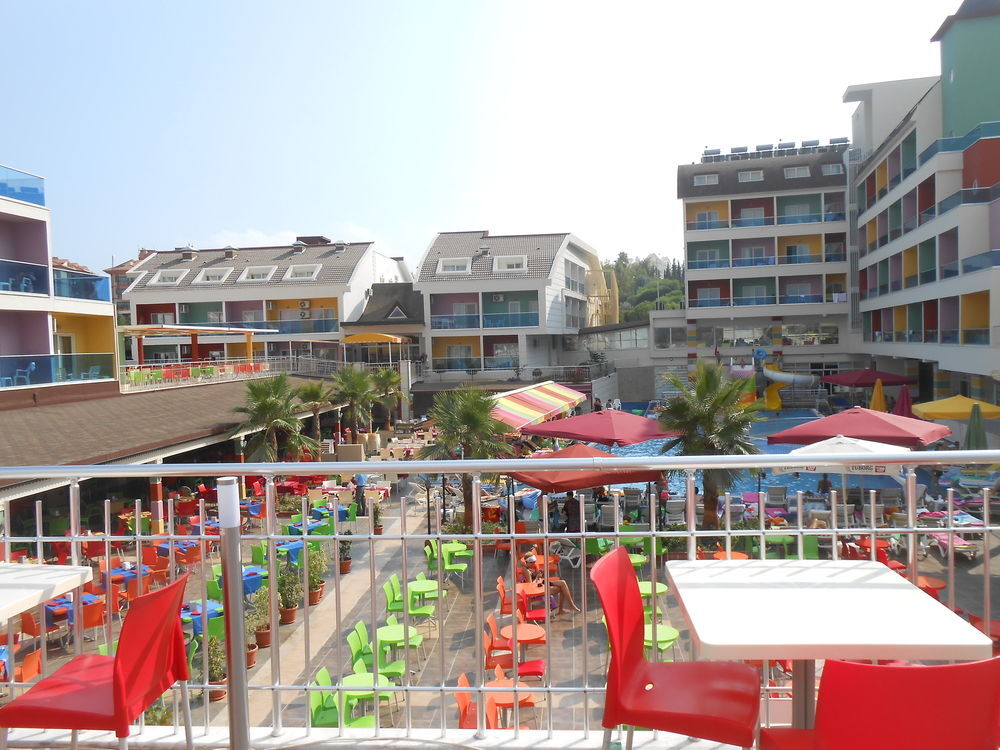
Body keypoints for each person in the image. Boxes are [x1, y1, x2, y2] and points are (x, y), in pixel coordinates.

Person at [521, 544, 582, 615]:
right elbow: (530, 585)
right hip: (536, 589)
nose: (533, 564)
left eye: (534, 562)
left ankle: (570, 605)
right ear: (527, 562)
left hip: (540, 583)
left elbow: (534, 578)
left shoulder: (529, 567)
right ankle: (565, 608)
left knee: (563, 582)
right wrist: (537, 577)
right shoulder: (525, 570)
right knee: (562, 588)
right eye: (531, 562)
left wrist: (538, 574)